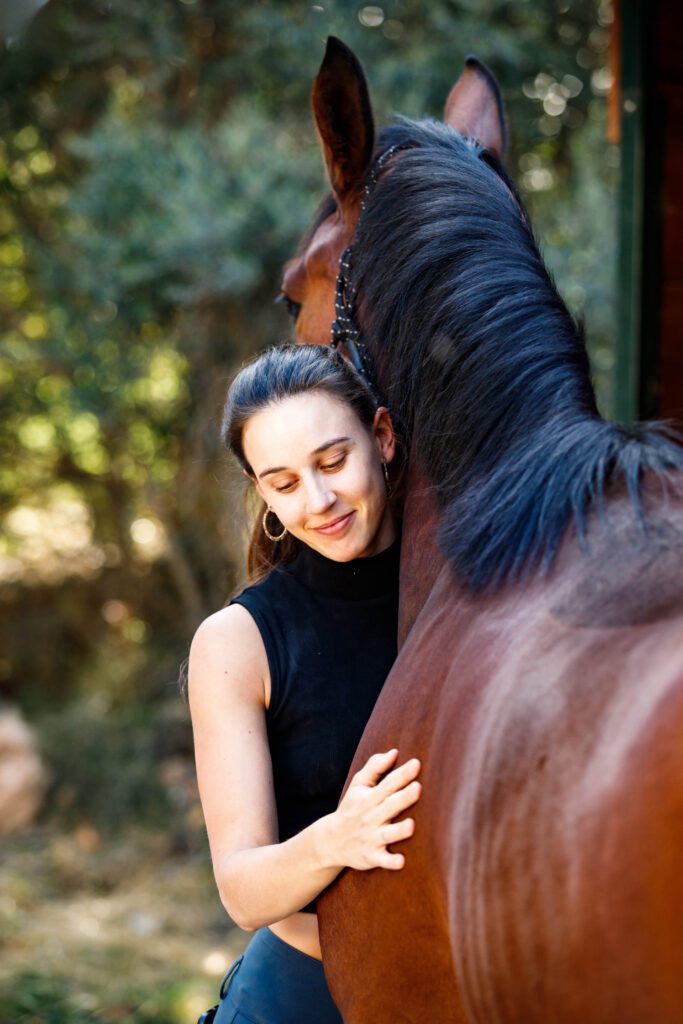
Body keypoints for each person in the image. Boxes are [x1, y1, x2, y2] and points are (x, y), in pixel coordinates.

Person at [187, 343, 423, 1024]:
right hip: (307, 995)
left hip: (476, 985)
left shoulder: (470, 594)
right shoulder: (237, 643)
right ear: (261, 490)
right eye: (283, 482)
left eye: (331, 462)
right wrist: (337, 838)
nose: (318, 500)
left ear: (381, 438)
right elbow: (242, 891)